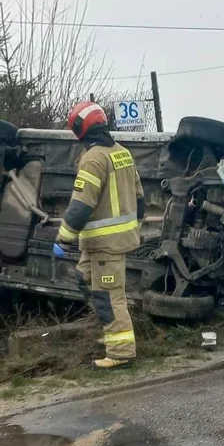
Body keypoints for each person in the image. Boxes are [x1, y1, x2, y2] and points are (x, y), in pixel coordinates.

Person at [54, 102, 145, 370]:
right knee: (85, 280)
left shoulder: (93, 159)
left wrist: (63, 238)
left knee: (109, 296)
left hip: (106, 245)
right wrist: (132, 226)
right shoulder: (122, 153)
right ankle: (112, 333)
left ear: (80, 129)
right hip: (105, 243)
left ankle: (121, 353)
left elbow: (81, 205)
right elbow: (140, 198)